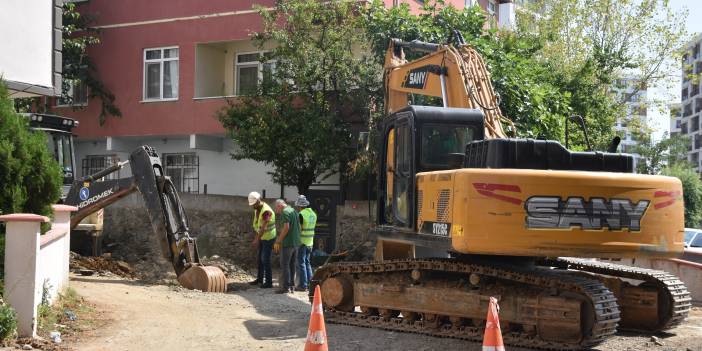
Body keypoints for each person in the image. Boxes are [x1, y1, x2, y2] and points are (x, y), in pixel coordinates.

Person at [248, 191, 275, 288]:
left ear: (258, 201)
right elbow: (258, 226)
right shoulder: (257, 209)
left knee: (265, 259)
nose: (252, 206)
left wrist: (256, 239)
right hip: (262, 237)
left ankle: (269, 282)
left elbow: (263, 227)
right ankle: (260, 279)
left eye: (254, 204)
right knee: (260, 259)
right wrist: (258, 238)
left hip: (268, 237)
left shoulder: (266, 211)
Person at [273, 199, 301, 294]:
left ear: (279, 206)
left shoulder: (285, 212)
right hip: (296, 243)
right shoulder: (294, 211)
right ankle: (292, 286)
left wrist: (278, 240)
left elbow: (286, 227)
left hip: (287, 243)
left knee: (285, 265)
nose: (277, 211)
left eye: (276, 209)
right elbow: (299, 226)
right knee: (292, 265)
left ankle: (285, 287)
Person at [295, 195, 316, 291]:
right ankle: (310, 284)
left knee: (301, 263)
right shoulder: (313, 213)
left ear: (299, 206)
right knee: (307, 263)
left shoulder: (301, 214)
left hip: (302, 242)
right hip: (310, 242)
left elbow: (299, 229)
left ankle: (303, 285)